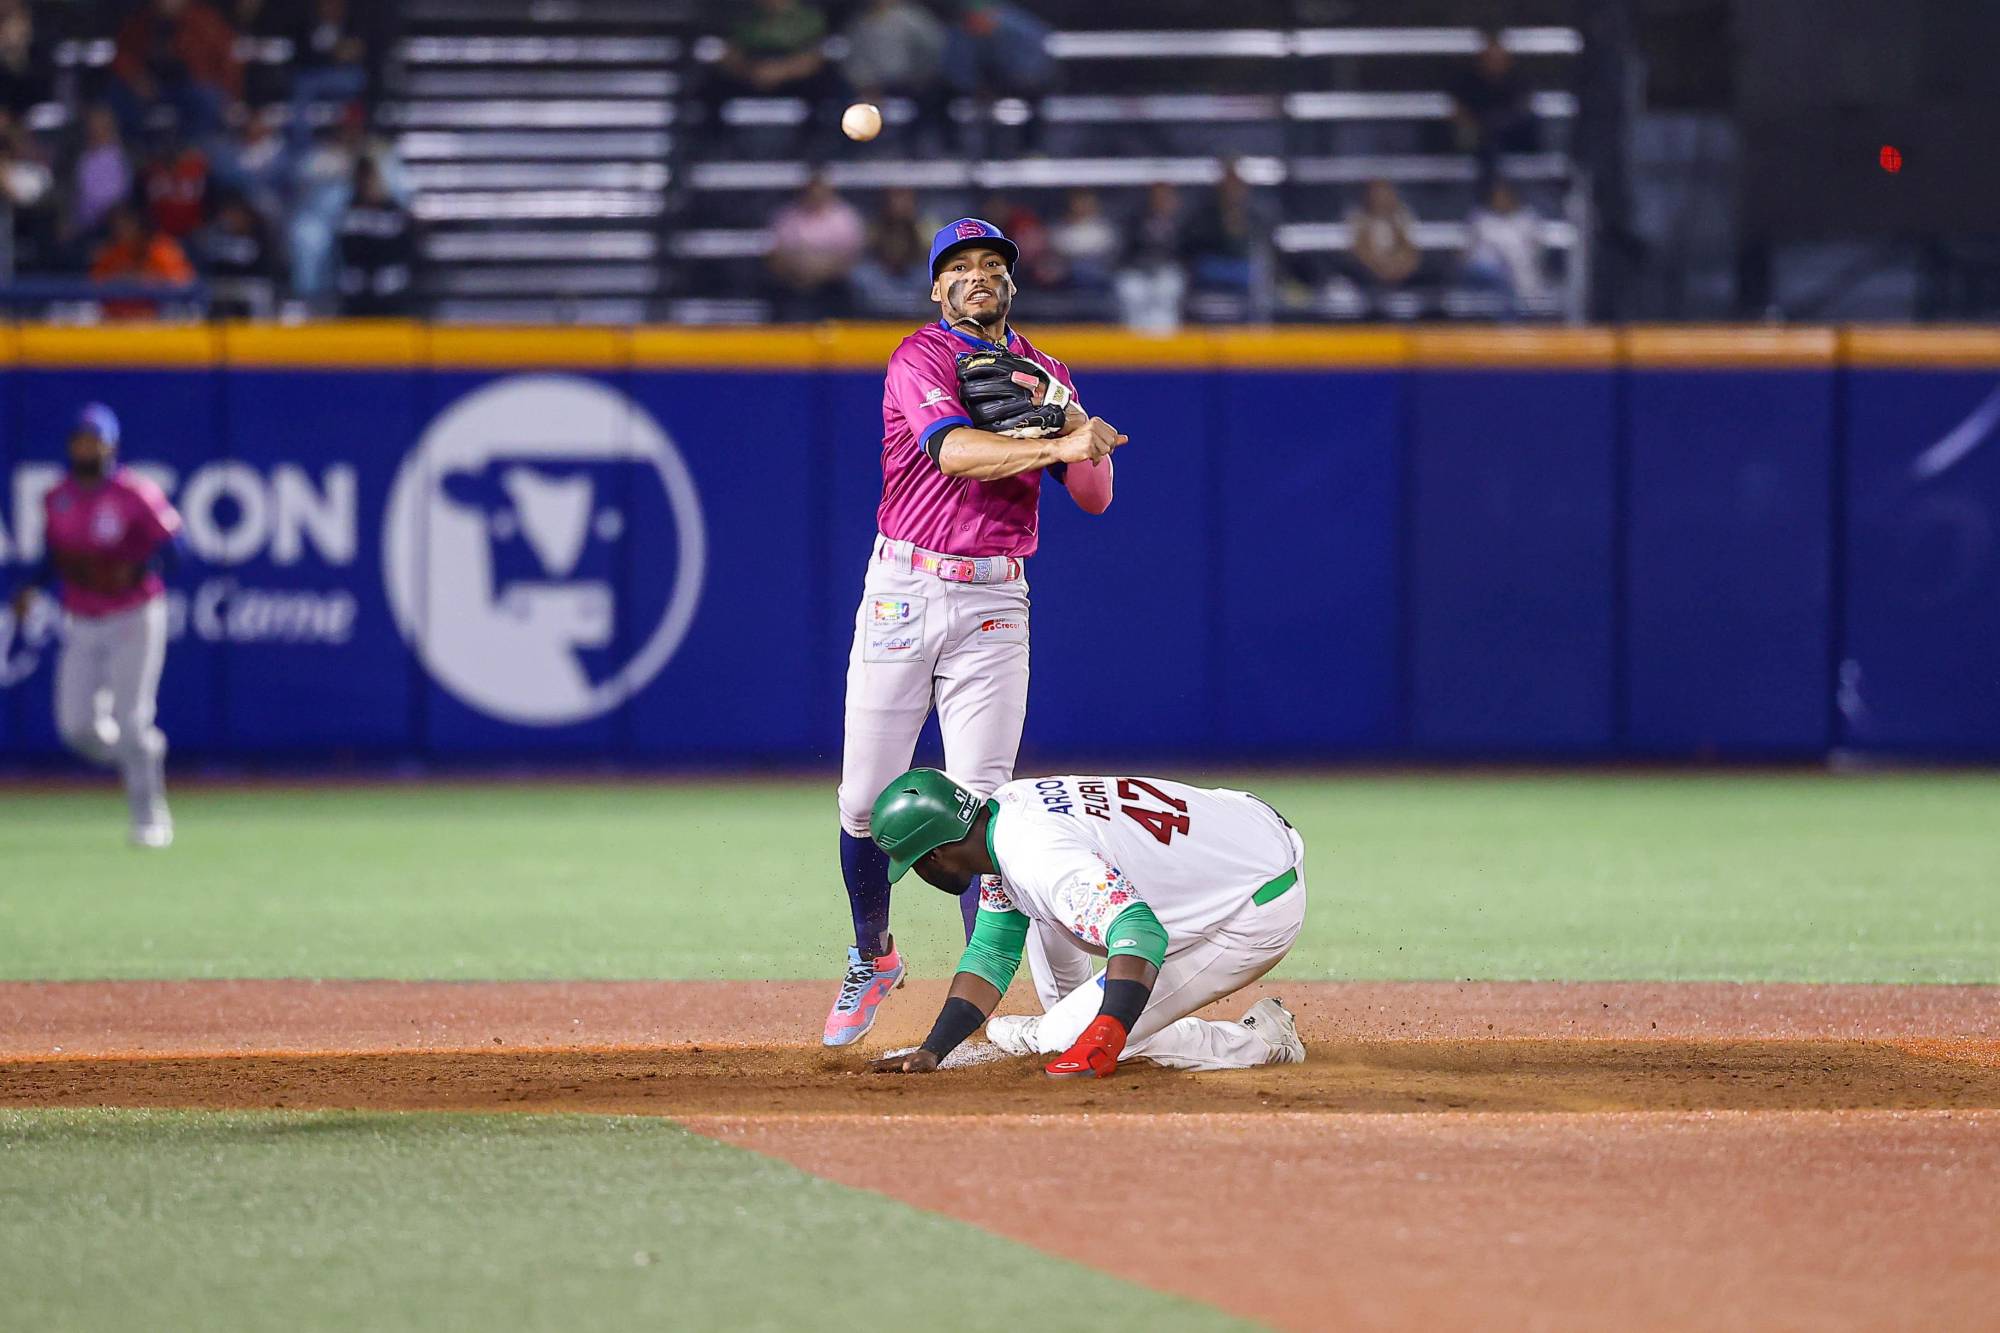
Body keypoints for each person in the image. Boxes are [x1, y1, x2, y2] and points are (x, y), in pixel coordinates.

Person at [824, 216, 1126, 1047]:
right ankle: (873, 952)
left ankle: (972, 1008)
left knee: (982, 808)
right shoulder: (919, 357)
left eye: (992, 263)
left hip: (996, 600)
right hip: (904, 588)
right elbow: (953, 452)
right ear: (935, 287)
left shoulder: (1048, 372)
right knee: (862, 801)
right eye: (959, 266)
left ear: (1012, 283)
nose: (978, 274)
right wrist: (1054, 440)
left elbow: (1094, 496)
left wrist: (1077, 426)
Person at [865, 768, 1309, 1077]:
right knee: (1041, 908)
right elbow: (991, 951)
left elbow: (1141, 933)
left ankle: (1262, 1040)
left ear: (936, 854)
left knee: (1069, 1038)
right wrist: (933, 1049)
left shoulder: (1038, 856)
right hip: (1241, 831)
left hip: (1253, 907)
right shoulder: (1001, 815)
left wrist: (1107, 1029)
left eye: (914, 863)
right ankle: (1063, 1021)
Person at [8, 406, 183, 847]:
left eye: (96, 440)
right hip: (82, 616)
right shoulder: (58, 496)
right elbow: (53, 557)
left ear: (112, 445)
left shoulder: (135, 493)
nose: (87, 448)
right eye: (80, 440)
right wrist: (31, 587)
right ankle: (141, 754)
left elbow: (178, 548)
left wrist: (141, 567)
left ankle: (150, 818)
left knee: (132, 718)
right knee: (76, 728)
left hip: (133, 614)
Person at [108, 0, 242, 140]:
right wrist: (135, 77)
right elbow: (122, 53)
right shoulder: (141, 20)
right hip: (150, 86)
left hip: (191, 87)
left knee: (208, 102)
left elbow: (227, 62)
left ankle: (193, 150)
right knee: (116, 96)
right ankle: (135, 149)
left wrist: (228, 95)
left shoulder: (204, 20)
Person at [842, 0, 948, 147]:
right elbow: (853, 58)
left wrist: (921, 74)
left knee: (934, 95)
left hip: (910, 82)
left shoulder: (914, 18)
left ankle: (919, 148)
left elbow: (932, 49)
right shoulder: (861, 22)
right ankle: (851, 151)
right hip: (870, 85)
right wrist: (865, 83)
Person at [764, 171, 865, 321]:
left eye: (819, 191)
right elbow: (775, 257)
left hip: (833, 282)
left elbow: (852, 257)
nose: (815, 195)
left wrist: (822, 271)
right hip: (794, 281)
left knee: (853, 284)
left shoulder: (844, 217)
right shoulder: (787, 217)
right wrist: (800, 272)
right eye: (811, 191)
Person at [1448, 30, 1536, 182]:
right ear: (1481, 58)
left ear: (1507, 58)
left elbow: (1523, 110)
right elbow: (1459, 111)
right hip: (1478, 138)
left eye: (1498, 57)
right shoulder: (1467, 81)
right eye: (1489, 57)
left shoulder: (1519, 81)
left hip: (1512, 135)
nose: (1494, 62)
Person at [335, 157, 414, 315]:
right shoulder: (349, 211)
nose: (368, 184)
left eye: (371, 178)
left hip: (390, 291)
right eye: (363, 179)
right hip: (357, 292)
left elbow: (398, 248)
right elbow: (351, 249)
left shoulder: (393, 212)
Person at [90, 204, 196, 318]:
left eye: (127, 225)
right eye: (118, 226)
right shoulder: (114, 252)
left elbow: (184, 282)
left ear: (140, 226)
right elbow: (94, 283)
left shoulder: (161, 249)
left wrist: (150, 280)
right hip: (119, 321)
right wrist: (120, 278)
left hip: (159, 321)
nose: (121, 231)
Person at [1462, 178, 1548, 312]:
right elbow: (1467, 253)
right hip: (1482, 271)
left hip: (1519, 271)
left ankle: (1512, 322)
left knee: (1518, 279)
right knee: (1497, 275)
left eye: (1502, 196)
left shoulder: (1527, 219)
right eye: (1496, 196)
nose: (1499, 200)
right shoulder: (1481, 219)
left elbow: (1537, 251)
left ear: (1511, 196)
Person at [850, 186, 930, 316]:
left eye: (902, 239)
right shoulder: (863, 278)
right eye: (892, 238)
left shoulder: (927, 278)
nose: (896, 245)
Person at [1345, 178, 1423, 299]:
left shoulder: (1402, 215)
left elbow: (1411, 250)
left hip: (1401, 274)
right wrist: (1380, 268)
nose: (1381, 197)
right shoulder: (1358, 217)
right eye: (1376, 193)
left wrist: (1398, 268)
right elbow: (1359, 251)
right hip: (1367, 276)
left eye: (1385, 192)